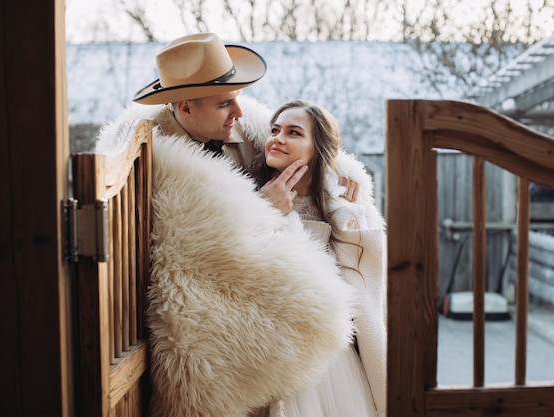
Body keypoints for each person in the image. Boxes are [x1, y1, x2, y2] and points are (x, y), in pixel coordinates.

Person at [95, 33, 367, 417]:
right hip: (192, 306)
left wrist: (339, 167)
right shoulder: (151, 152)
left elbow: (300, 134)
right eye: (225, 103)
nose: (238, 112)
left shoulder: (246, 128)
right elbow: (192, 248)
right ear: (185, 107)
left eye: (238, 98)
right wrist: (262, 208)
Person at [249, 99, 387, 417]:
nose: (278, 138)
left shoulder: (341, 204)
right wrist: (263, 211)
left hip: (331, 355)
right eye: (274, 130)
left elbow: (363, 283)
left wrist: (351, 210)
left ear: (317, 148)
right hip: (272, 347)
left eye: (293, 132)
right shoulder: (248, 195)